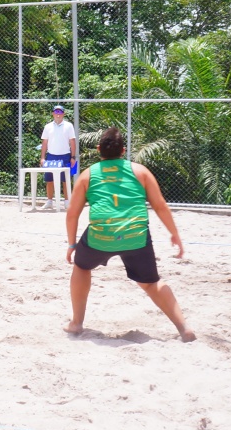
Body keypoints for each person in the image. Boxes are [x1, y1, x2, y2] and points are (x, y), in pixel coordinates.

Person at [65, 126, 196, 342]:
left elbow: (72, 214)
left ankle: (77, 323)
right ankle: (184, 328)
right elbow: (161, 205)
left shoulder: (88, 175)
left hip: (101, 235)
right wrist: (175, 234)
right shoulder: (140, 171)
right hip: (135, 234)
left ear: (99, 149)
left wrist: (72, 245)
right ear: (123, 151)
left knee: (81, 266)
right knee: (151, 283)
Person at [40, 105, 77, 209]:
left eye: (60, 112)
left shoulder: (69, 126)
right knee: (49, 179)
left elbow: (72, 141)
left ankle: (66, 202)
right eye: (56, 111)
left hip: (65, 156)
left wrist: (73, 157)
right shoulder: (47, 126)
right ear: (52, 113)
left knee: (65, 180)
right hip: (51, 156)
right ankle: (49, 201)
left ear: (63, 114)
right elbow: (44, 143)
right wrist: (43, 158)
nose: (58, 114)